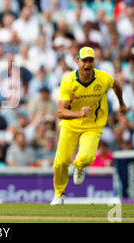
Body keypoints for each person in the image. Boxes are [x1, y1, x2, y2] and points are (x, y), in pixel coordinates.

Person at [51, 46, 127, 205]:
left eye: (90, 60)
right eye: (84, 60)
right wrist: (79, 114)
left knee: (86, 157)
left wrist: (121, 103)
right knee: (61, 161)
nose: (87, 64)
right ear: (77, 61)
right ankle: (59, 194)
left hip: (93, 124)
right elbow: (60, 112)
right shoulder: (68, 81)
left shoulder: (103, 78)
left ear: (94, 62)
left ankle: (79, 166)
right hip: (71, 124)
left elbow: (116, 86)